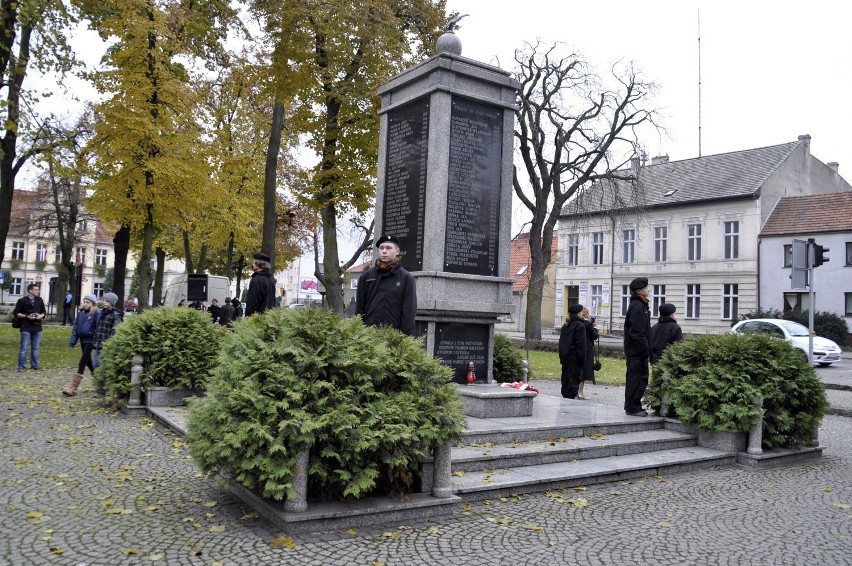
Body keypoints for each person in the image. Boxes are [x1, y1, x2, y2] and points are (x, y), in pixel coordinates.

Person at [355, 235, 417, 335]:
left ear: (397, 251)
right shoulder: (366, 276)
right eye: (381, 248)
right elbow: (359, 308)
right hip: (369, 334)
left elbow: (409, 311)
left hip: (393, 336)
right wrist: (359, 332)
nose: (384, 251)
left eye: (388, 248)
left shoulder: (406, 278)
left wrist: (404, 337)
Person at [624, 277, 652, 416]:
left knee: (640, 378)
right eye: (647, 288)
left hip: (637, 350)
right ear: (639, 291)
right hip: (636, 351)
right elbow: (637, 332)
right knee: (637, 379)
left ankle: (634, 405)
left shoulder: (641, 304)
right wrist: (645, 349)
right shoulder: (637, 306)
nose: (649, 290)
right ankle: (632, 407)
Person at [64, 294, 101, 396]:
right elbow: (75, 328)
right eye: (84, 302)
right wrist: (73, 341)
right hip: (82, 340)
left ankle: (73, 388)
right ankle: (100, 381)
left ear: (93, 303)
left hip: (91, 340)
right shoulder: (81, 313)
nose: (85, 304)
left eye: (88, 302)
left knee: (82, 362)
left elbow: (98, 327)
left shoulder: (96, 313)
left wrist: (96, 338)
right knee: (89, 362)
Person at [93, 292, 124, 396]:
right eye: (103, 300)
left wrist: (110, 343)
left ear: (112, 303)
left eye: (106, 301)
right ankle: (100, 388)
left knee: (104, 367)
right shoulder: (103, 313)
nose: (104, 303)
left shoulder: (116, 315)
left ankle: (104, 390)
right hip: (99, 344)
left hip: (107, 346)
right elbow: (99, 328)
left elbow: (116, 331)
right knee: (96, 366)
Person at [13, 284, 47, 371]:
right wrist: (27, 316)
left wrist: (40, 315)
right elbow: (17, 313)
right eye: (36, 290)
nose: (37, 291)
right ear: (30, 291)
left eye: (38, 290)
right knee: (24, 347)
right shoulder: (22, 301)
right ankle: (21, 366)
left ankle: (35, 365)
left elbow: (44, 312)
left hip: (37, 326)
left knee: (35, 347)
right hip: (26, 326)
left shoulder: (39, 300)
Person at [558, 303, 587, 399]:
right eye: (581, 312)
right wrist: (582, 360)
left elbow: (561, 343)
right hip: (575, 360)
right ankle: (569, 406)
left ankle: (565, 403)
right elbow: (581, 345)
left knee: (565, 382)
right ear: (578, 313)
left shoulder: (565, 326)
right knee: (573, 383)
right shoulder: (579, 326)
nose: (582, 314)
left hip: (565, 359)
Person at [577, 307, 599, 400]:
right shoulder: (588, 324)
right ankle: (580, 393)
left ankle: (576, 391)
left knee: (578, 371)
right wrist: (594, 327)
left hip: (577, 349)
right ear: (587, 314)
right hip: (587, 350)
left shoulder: (576, 323)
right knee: (584, 371)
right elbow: (595, 336)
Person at [245, 252, 276, 316]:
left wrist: (248, 317)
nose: (252, 265)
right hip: (268, 318)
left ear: (259, 264)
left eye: (254, 263)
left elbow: (252, 302)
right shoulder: (271, 279)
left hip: (256, 319)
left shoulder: (257, 279)